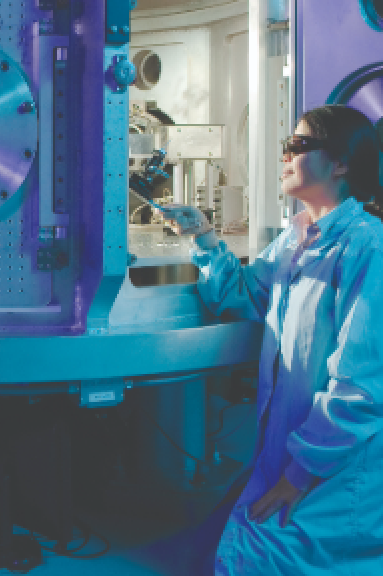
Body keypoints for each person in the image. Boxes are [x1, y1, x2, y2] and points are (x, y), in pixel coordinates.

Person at [162, 104, 383, 576]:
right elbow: (241, 296)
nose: (284, 155)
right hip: (289, 452)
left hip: (337, 467)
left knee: (265, 557)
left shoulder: (368, 246)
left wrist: (300, 474)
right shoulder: (297, 239)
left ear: (341, 163)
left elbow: (360, 386)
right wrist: (201, 235)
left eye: (298, 146)